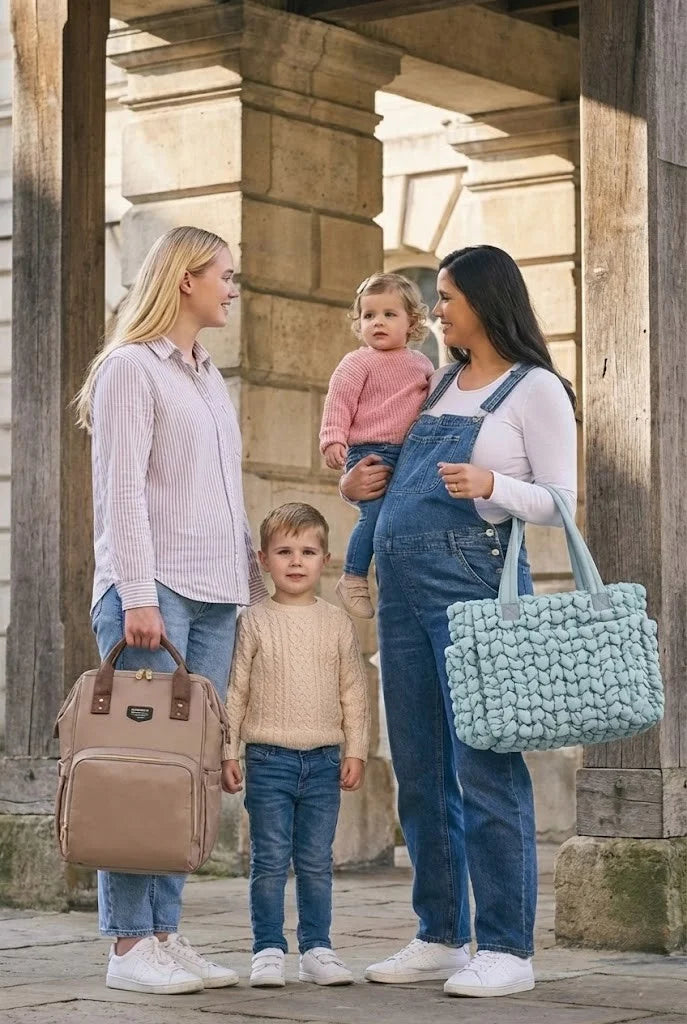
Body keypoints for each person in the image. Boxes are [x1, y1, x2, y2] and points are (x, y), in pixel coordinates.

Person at [340, 246, 577, 998]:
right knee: (419, 768)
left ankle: (506, 948)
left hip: (473, 585)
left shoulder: (532, 388)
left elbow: (563, 500)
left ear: (483, 298)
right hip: (403, 592)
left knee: (483, 764)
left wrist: (492, 483)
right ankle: (439, 934)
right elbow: (385, 478)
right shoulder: (438, 381)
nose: (435, 310)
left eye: (444, 297)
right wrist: (352, 485)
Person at [75, 225, 267, 995]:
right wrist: (139, 597)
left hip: (216, 594)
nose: (232, 286)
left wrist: (250, 585)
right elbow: (120, 489)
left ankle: (164, 933)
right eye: (225, 274)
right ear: (185, 279)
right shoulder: (130, 369)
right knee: (141, 774)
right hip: (154, 597)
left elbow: (222, 491)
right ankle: (126, 947)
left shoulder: (206, 375)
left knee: (188, 775)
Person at [222, 503, 370, 988]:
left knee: (314, 861)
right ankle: (267, 948)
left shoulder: (336, 623)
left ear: (325, 559)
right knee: (268, 859)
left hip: (325, 760)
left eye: (307, 551)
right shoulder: (253, 621)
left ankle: (317, 948)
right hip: (268, 758)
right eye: (284, 551)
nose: (296, 561)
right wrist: (229, 751)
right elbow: (236, 690)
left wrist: (357, 750)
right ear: (263, 559)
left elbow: (354, 690)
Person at [319, 274, 434, 619]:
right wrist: (332, 439)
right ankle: (353, 576)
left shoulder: (422, 365)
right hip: (370, 451)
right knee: (374, 515)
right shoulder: (357, 362)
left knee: (403, 519)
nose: (378, 322)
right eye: (369, 316)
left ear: (411, 322)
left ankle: (402, 579)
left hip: (410, 454)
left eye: (389, 314)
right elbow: (339, 402)